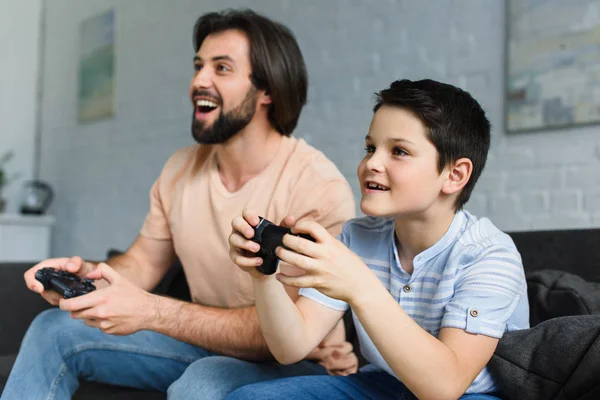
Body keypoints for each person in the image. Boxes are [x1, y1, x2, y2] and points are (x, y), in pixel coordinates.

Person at [2, 9, 357, 400]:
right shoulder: (181, 169)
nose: (199, 81)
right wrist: (89, 276)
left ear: (266, 91)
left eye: (222, 68)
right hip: (202, 343)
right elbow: (142, 263)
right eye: (198, 66)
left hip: (299, 365)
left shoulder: (317, 188)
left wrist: (155, 312)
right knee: (53, 329)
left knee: (202, 384)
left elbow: (279, 338)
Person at [228, 79, 530, 400]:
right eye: (371, 148)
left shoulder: (490, 255)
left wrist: (359, 286)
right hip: (383, 385)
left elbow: (446, 385)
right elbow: (292, 346)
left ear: (454, 175)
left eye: (398, 151)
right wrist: (264, 275)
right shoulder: (357, 237)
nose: (371, 163)